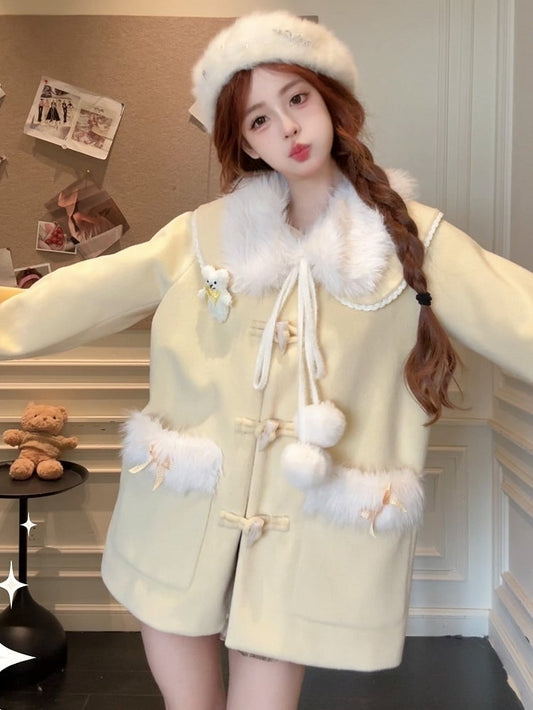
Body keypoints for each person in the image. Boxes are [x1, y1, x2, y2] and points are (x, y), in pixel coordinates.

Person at [0, 11, 532, 710]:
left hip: (306, 517)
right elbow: (78, 298)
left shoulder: (412, 238)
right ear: (244, 143)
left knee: (267, 675)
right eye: (258, 119)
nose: (286, 127)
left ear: (329, 100)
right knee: (180, 665)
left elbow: (518, 317)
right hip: (186, 504)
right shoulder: (204, 234)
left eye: (297, 98)